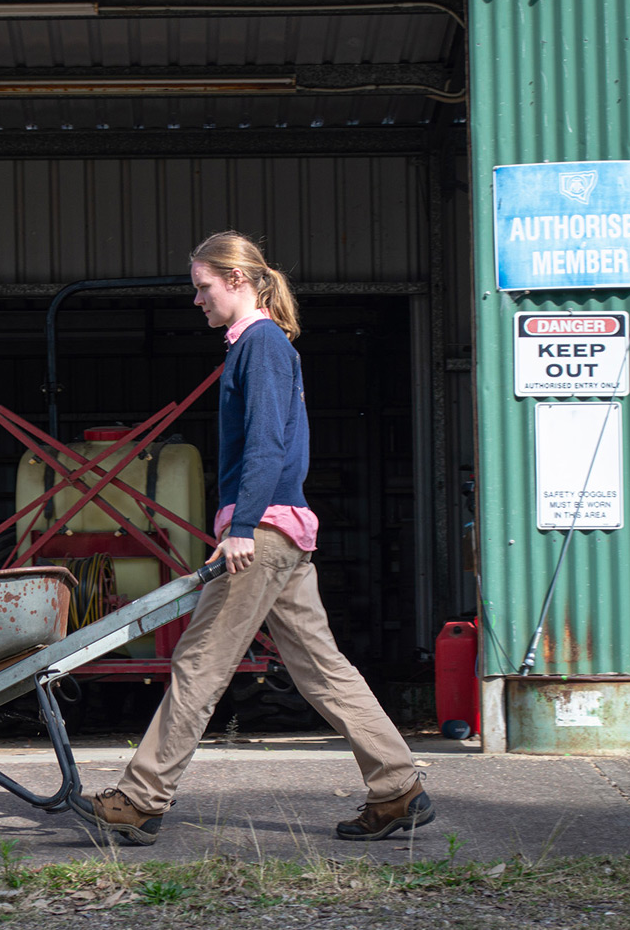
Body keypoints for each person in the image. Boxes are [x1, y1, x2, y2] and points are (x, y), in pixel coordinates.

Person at [69, 230, 434, 845]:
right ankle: (398, 788)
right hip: (284, 532)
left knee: (200, 663)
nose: (197, 300)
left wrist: (241, 528)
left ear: (237, 280)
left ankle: (140, 798)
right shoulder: (263, 346)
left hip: (262, 533)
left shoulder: (260, 346)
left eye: (203, 287)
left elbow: (268, 443)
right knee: (323, 670)